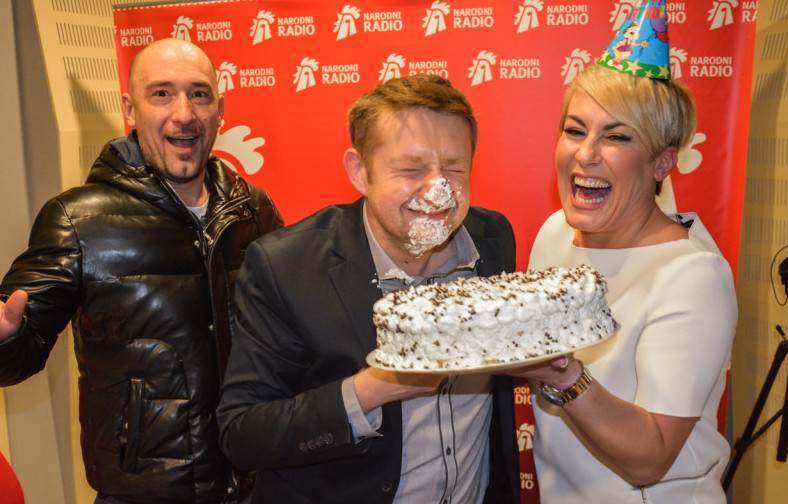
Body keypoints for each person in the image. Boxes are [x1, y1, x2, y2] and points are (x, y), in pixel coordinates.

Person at [0, 38, 282, 503]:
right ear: (131, 109)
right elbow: (18, 355)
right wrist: (6, 337)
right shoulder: (78, 220)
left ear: (220, 110)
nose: (184, 113)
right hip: (143, 493)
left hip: (255, 484)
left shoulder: (253, 209)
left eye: (199, 94)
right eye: (161, 94)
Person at [217, 74, 521, 504]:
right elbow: (243, 433)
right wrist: (374, 389)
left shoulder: (493, 240)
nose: (438, 190)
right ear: (360, 171)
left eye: (454, 168)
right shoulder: (286, 266)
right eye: (411, 169)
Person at [510, 7, 738, 502]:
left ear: (662, 162)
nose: (586, 154)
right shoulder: (554, 234)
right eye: (575, 130)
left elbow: (649, 458)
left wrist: (563, 374)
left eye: (616, 137)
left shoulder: (692, 276)